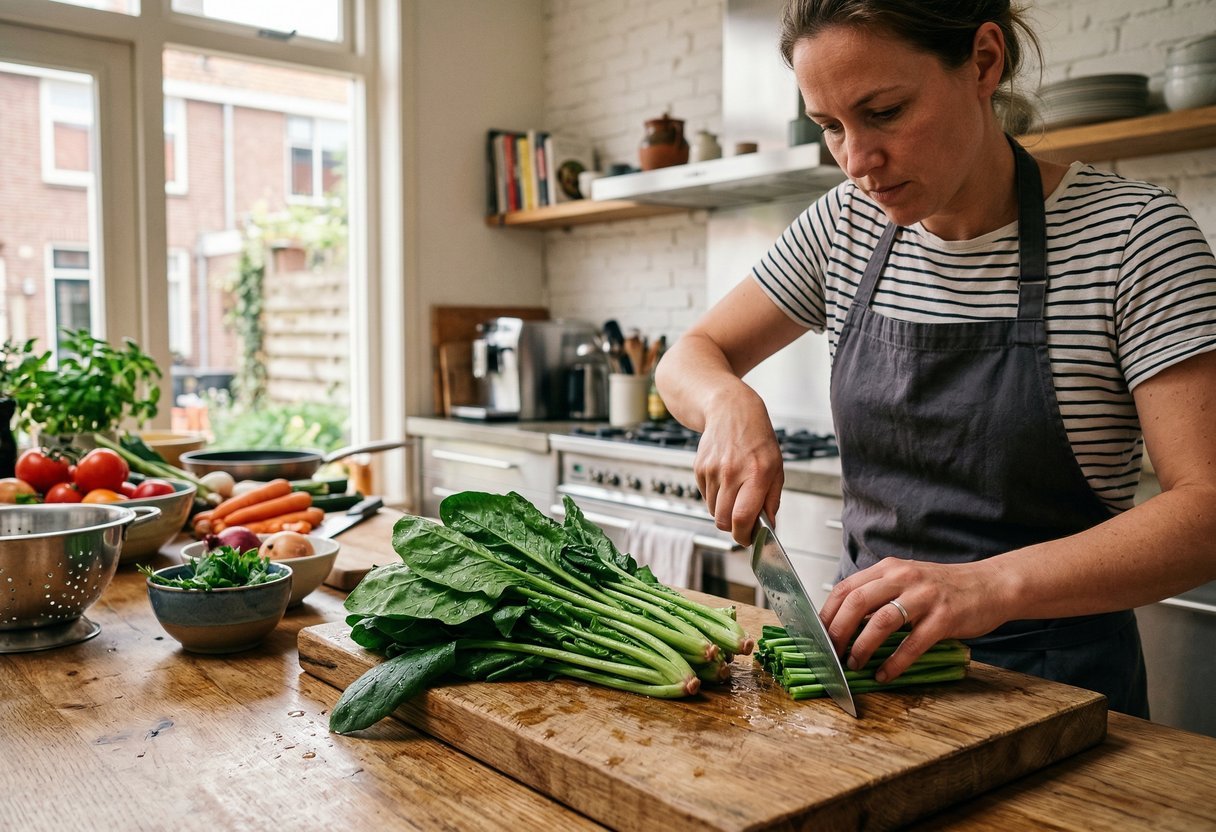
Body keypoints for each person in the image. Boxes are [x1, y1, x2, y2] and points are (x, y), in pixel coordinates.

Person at [654, 0, 1216, 716]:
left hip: (1063, 701)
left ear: (984, 62)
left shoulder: (1134, 238)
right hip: (866, 678)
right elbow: (688, 357)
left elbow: (1206, 511)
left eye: (884, 111)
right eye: (830, 127)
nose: (858, 162)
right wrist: (728, 403)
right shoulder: (843, 226)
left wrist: (984, 587)